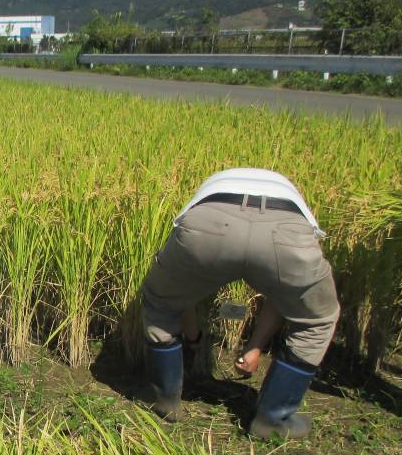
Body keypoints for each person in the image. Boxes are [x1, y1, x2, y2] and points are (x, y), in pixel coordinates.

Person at [139, 168, 340, 439]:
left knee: (161, 301)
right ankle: (272, 420)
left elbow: (178, 295)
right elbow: (283, 297)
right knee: (316, 321)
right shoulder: (292, 197)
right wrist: (255, 346)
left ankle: (166, 403)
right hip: (286, 233)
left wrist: (192, 336)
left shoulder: (214, 184)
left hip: (210, 220)